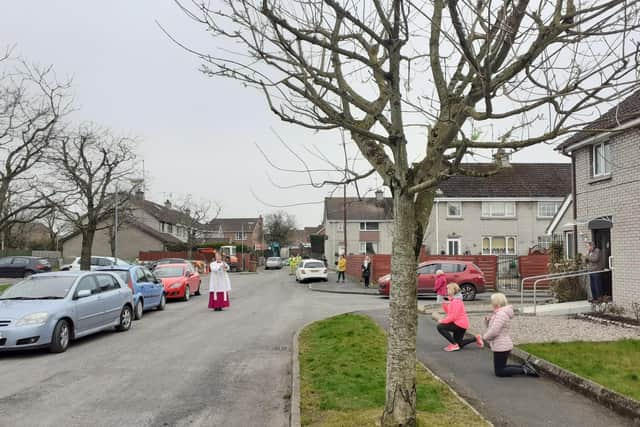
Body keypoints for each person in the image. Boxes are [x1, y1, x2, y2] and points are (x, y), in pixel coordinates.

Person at [483, 293, 539, 377]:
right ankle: (524, 367)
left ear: (496, 303)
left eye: (492, 302)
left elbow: (494, 331)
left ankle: (525, 370)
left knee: (500, 372)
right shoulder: (499, 313)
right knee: (501, 367)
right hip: (501, 344)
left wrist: (485, 337)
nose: (491, 304)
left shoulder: (501, 314)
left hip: (501, 345)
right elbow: (492, 328)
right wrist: (487, 321)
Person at [437, 283, 483, 351]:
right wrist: (444, 303)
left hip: (459, 324)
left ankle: (454, 345)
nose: (446, 290)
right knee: (460, 344)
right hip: (460, 324)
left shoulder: (456, 301)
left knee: (440, 326)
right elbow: (449, 313)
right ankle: (476, 338)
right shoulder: (453, 300)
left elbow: (453, 316)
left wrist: (442, 321)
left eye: (448, 289)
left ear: (453, 290)